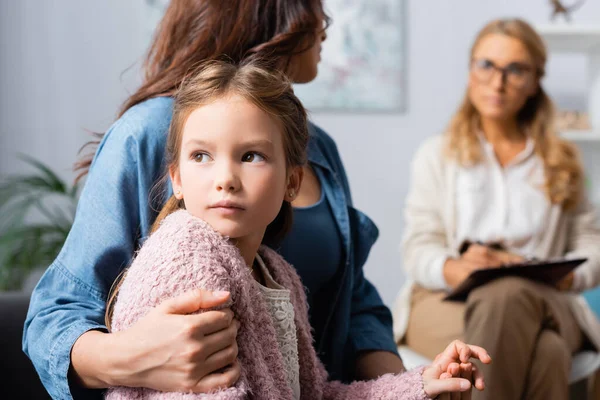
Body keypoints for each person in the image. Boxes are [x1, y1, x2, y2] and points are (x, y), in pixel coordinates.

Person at [23, 1, 404, 398]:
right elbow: (55, 315)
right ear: (270, 15)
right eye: (314, 11)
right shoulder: (151, 131)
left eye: (252, 156)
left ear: (290, 179)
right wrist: (131, 357)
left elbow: (353, 299)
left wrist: (410, 385)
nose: (325, 26)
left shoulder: (318, 149)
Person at [102, 59, 490, 399]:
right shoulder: (189, 259)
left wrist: (422, 383)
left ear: (292, 182)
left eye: (250, 155)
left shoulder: (278, 275)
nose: (225, 178)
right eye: (201, 155)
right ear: (177, 179)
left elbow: (317, 393)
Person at [392, 18, 600, 400]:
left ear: (536, 80)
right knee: (549, 352)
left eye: (515, 69)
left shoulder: (563, 160)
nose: (497, 81)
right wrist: (457, 269)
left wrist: (560, 276)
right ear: (471, 69)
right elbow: (418, 246)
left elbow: (593, 246)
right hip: (447, 300)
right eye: (485, 64)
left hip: (545, 297)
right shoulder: (436, 155)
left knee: (507, 294)